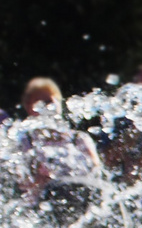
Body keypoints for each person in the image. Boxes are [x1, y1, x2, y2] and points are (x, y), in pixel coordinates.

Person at [13, 78, 102, 206]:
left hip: (82, 201)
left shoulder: (78, 139)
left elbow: (97, 174)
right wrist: (39, 181)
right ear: (29, 107)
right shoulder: (27, 143)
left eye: (50, 101)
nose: (48, 107)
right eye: (41, 103)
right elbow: (23, 185)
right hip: (46, 205)